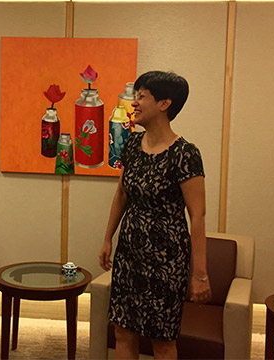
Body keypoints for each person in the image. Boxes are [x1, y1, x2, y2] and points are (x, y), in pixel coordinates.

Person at [99, 71, 212, 359]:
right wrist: (107, 238)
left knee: (161, 339)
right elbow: (122, 194)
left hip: (167, 259)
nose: (134, 103)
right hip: (130, 253)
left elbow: (197, 215)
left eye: (141, 96)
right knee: (122, 330)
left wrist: (200, 274)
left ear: (164, 104)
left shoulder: (185, 153)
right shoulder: (133, 145)